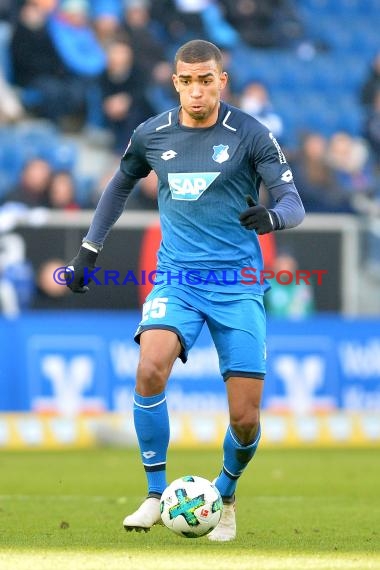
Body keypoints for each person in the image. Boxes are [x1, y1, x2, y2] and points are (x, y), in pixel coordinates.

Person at [65, 39, 305, 541]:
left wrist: (272, 217)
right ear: (175, 82)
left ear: (222, 81)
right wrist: (89, 251)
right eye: (186, 81)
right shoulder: (152, 134)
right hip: (177, 276)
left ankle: (226, 491)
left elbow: (291, 200)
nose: (196, 91)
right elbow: (118, 187)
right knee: (150, 366)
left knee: (244, 417)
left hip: (237, 284)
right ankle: (155, 494)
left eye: (205, 80)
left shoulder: (251, 134)